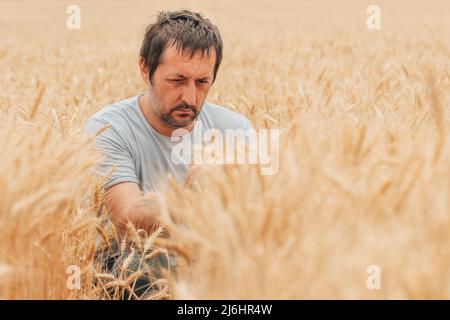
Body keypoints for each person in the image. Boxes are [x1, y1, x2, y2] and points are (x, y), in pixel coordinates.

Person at [84, 9, 252, 299]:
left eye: (202, 82)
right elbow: (127, 220)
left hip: (212, 270)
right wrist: (194, 198)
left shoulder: (235, 129)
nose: (190, 97)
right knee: (143, 271)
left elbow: (259, 218)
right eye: (177, 80)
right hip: (134, 274)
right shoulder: (108, 128)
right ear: (144, 69)